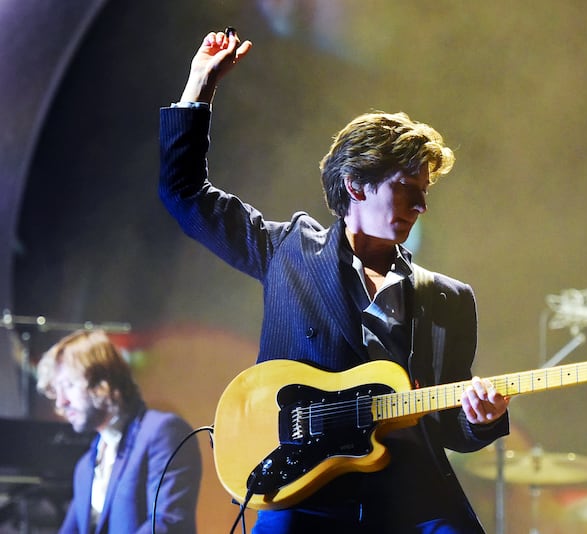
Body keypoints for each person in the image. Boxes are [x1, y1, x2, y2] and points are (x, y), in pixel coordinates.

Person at [159, 28, 510, 533]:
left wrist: (481, 418)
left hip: (409, 498)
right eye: (407, 187)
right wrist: (200, 87)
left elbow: (447, 421)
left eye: (425, 191)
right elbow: (184, 195)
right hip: (305, 492)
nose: (421, 204)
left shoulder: (448, 298)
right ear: (355, 184)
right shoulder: (287, 252)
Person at [35, 330, 202, 534]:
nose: (61, 402)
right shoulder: (84, 468)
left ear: (102, 381)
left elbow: (167, 524)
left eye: (69, 385)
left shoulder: (163, 431)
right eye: (56, 390)